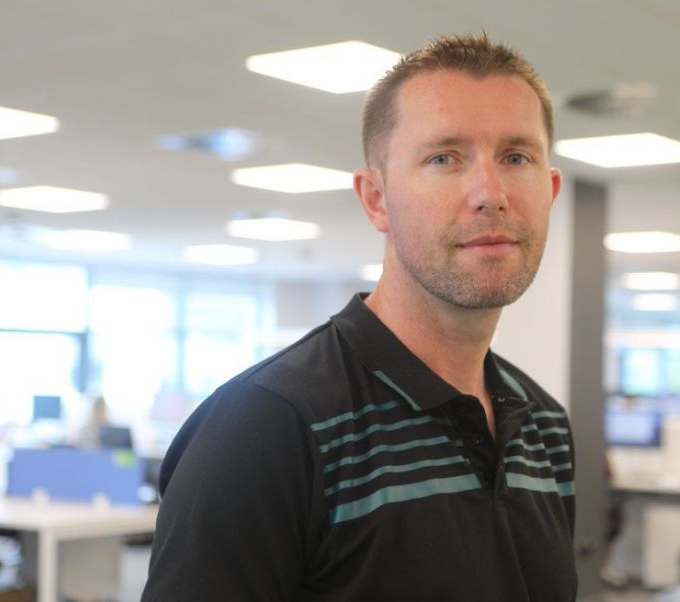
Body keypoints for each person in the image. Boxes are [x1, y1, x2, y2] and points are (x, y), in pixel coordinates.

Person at [143, 33, 575, 601]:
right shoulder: (266, 427)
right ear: (376, 199)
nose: (489, 193)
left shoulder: (544, 426)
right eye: (444, 157)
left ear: (549, 191)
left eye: (515, 157)